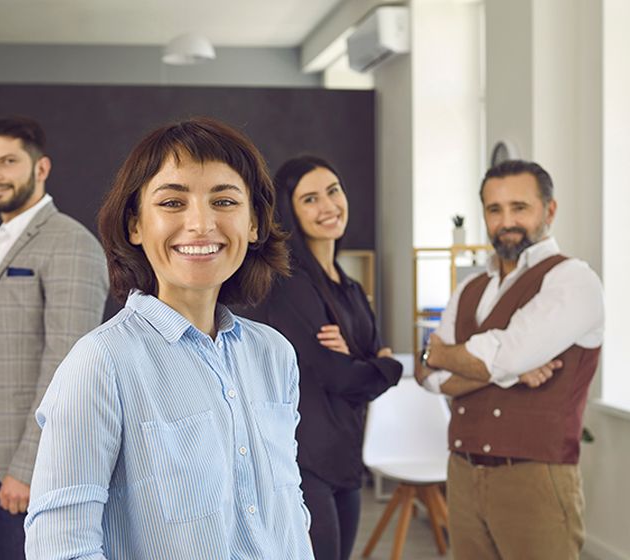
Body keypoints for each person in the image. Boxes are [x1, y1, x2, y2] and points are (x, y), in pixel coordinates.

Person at [25, 117, 315, 559]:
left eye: (223, 200)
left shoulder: (273, 354)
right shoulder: (102, 363)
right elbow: (60, 547)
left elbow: (289, 510)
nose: (201, 224)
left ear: (254, 224)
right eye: (173, 203)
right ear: (135, 226)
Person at [415, 160, 604, 559]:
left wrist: (445, 354)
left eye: (520, 207)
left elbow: (499, 356)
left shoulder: (573, 280)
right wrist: (509, 373)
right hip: (463, 473)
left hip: (534, 477)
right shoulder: (470, 288)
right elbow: (427, 374)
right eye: (494, 209)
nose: (506, 221)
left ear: (549, 210)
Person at [0, 115, 109, 559]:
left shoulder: (70, 243)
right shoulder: (4, 240)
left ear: (40, 169)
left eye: (7, 161)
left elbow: (67, 364)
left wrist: (28, 467)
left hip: (24, 463)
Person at [247, 155, 402, 560]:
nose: (328, 206)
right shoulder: (291, 283)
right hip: (305, 463)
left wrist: (364, 359)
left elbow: (362, 364)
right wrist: (387, 365)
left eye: (333, 191)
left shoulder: (348, 285)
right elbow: (344, 377)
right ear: (291, 211)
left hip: (346, 458)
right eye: (310, 199)